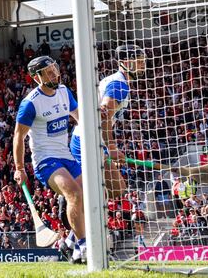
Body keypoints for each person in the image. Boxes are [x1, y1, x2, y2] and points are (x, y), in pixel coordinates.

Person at [65, 44, 141, 258]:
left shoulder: (117, 81)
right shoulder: (119, 84)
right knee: (114, 189)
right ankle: (81, 244)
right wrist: (112, 147)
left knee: (107, 192)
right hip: (88, 141)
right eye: (139, 59)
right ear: (126, 62)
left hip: (88, 139)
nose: (143, 63)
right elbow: (105, 114)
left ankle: (73, 241)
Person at [13, 56, 86, 263]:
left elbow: (80, 116)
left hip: (67, 156)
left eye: (54, 69)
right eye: (48, 72)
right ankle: (85, 246)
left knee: (89, 197)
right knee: (74, 194)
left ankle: (70, 243)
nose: (54, 73)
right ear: (37, 77)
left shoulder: (64, 91)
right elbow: (19, 136)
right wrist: (20, 168)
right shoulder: (30, 103)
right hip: (46, 161)